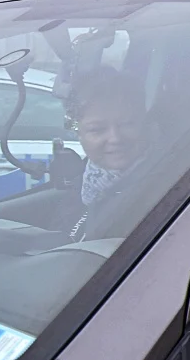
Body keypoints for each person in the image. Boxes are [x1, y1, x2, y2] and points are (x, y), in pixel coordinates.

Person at [61, 66, 150, 242]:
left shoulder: (165, 185)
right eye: (97, 129)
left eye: (127, 124)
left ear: (144, 123)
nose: (115, 138)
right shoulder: (82, 184)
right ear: (79, 134)